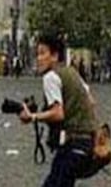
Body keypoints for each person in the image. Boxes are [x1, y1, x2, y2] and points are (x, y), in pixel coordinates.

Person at [19, 34, 97, 187]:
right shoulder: (73, 73)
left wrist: (32, 116)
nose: (38, 58)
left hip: (71, 145)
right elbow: (91, 102)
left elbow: (58, 113)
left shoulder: (50, 77)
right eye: (37, 54)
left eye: (42, 53)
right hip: (87, 145)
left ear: (54, 56)